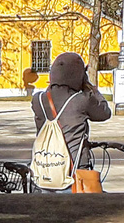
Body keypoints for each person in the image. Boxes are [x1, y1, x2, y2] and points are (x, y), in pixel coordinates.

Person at [30, 51, 111, 188]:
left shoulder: (37, 99)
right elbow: (104, 112)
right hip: (75, 170)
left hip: (43, 167)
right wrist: (90, 87)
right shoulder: (82, 99)